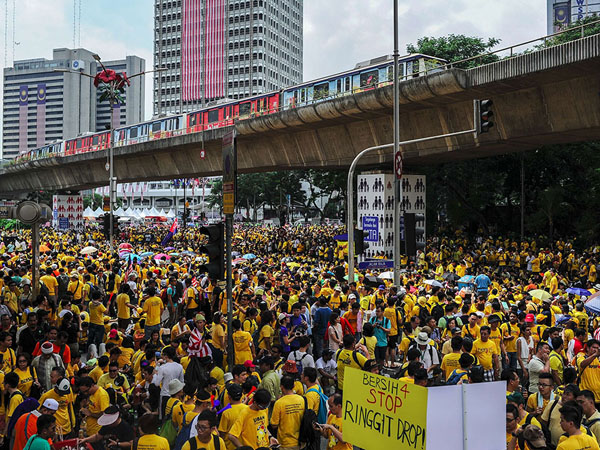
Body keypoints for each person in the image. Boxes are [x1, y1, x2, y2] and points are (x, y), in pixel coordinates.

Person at [271, 375, 305, 450]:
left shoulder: (279, 403)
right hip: (301, 441)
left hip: (285, 443)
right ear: (293, 386)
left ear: (281, 387)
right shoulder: (301, 399)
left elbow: (274, 425)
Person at [153, 346, 184, 419]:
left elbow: (156, 383)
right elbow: (182, 381)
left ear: (166, 356)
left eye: (163, 354)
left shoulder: (162, 368)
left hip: (165, 395)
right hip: (176, 395)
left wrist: (156, 370)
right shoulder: (179, 366)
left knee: (164, 417)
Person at [217, 383, 248, 450]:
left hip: (230, 447)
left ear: (229, 396)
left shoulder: (226, 412)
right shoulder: (247, 409)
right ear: (241, 395)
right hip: (245, 446)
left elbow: (222, 433)